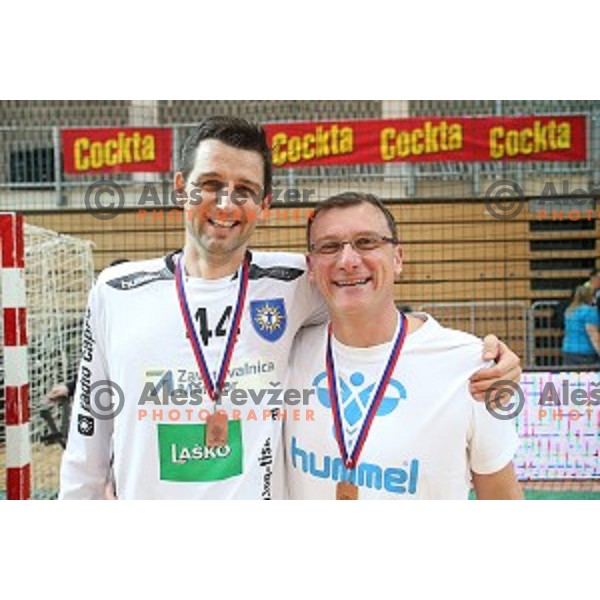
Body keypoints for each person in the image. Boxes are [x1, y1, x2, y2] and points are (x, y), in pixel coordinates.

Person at [59, 116, 521, 500]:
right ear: (181, 188)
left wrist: (478, 356)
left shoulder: (294, 283)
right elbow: (85, 452)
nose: (225, 203)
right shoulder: (116, 292)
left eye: (244, 189)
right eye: (210, 184)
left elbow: (372, 301)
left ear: (264, 203)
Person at [284, 192, 524, 500]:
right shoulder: (287, 353)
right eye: (329, 247)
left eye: (366, 242)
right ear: (312, 267)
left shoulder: (473, 368)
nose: (348, 261)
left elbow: (501, 500)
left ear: (398, 258)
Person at [561, 285, 600, 366]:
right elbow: (593, 334)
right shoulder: (590, 311)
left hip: (568, 350)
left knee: (571, 377)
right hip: (585, 353)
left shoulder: (569, 310)